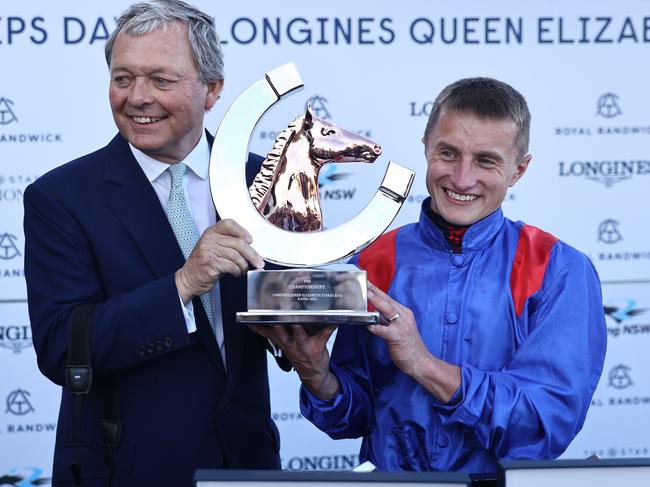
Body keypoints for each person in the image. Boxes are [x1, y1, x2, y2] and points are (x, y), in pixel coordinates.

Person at [252, 77, 607, 473]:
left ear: (518, 170)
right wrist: (316, 373)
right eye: (448, 154)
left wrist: (423, 364)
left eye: (486, 161)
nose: (461, 178)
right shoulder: (374, 259)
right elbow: (355, 418)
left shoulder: (559, 271)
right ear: (426, 148)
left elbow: (543, 424)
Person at [23, 1, 283, 485]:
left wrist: (311, 321)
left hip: (248, 463)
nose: (137, 97)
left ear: (212, 89)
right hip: (124, 470)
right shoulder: (60, 198)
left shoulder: (265, 182)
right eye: (123, 79)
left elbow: (287, 319)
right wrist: (182, 284)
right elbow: (63, 348)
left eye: (161, 80)